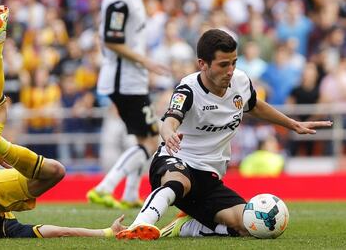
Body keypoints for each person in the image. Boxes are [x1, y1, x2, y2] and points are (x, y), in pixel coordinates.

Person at [115, 29, 332, 240]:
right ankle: (140, 225)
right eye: (223, 64)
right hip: (175, 161)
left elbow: (254, 105)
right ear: (203, 64)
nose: (230, 70)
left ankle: (188, 228)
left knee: (248, 226)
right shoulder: (188, 90)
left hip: (209, 178)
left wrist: (292, 124)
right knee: (179, 182)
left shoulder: (240, 81)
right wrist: (169, 133)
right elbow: (168, 121)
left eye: (234, 63)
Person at [0, 5, 125, 239]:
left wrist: (105, 233)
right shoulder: (4, 227)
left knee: (53, 169)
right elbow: (55, 231)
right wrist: (107, 231)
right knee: (1, 111)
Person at [86, 0, 169, 209]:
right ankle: (105, 187)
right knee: (153, 139)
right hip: (126, 81)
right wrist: (146, 61)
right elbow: (112, 40)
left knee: (144, 138)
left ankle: (131, 194)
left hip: (131, 80)